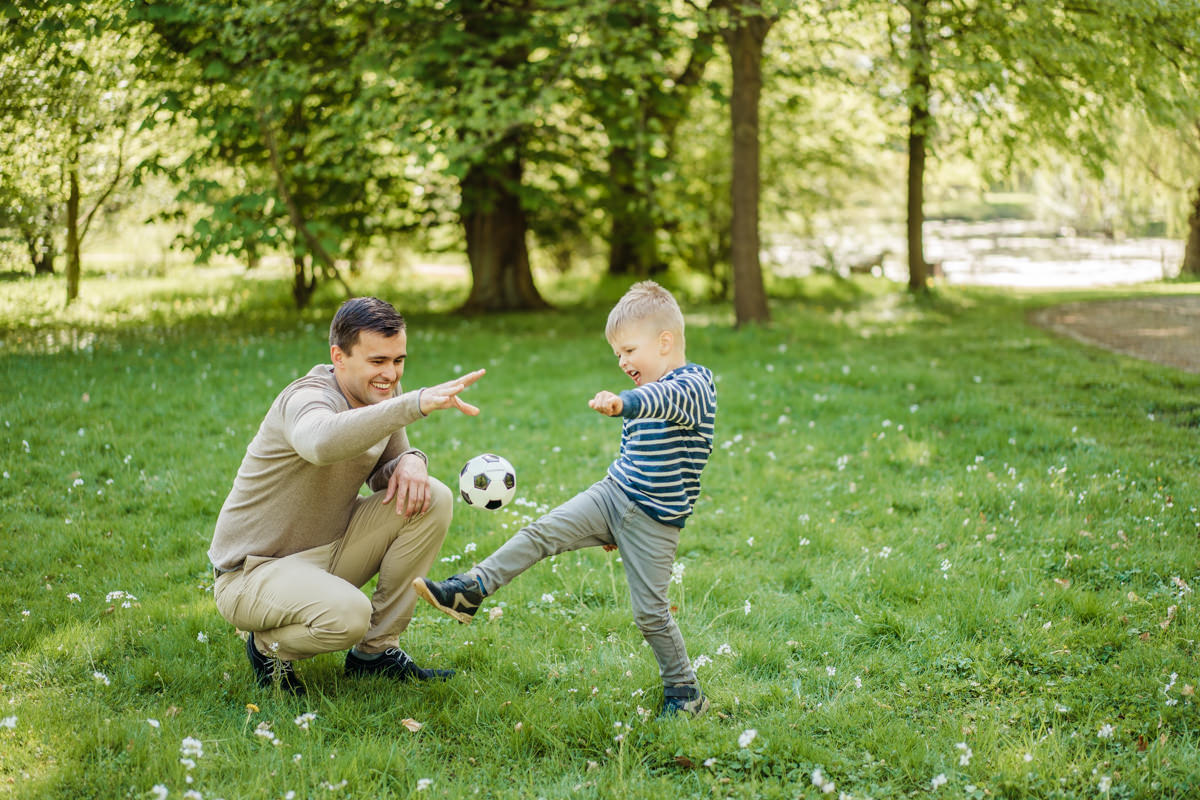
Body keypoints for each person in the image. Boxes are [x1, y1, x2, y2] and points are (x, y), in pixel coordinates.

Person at [414, 281, 716, 717]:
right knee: (540, 532)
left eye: (629, 350)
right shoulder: (643, 396)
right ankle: (470, 590)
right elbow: (635, 453)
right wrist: (610, 523)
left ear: (665, 342)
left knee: (650, 614)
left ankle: (685, 692)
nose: (622, 361)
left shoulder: (694, 385)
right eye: (618, 354)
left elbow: (661, 399)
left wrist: (621, 403)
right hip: (613, 496)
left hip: (653, 520)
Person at [208, 296, 484, 694]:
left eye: (398, 360)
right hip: (253, 573)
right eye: (378, 362)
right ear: (339, 356)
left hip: (328, 548)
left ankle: (376, 652)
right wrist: (414, 404)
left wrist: (412, 459)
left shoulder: (381, 395)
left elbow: (384, 470)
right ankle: (267, 646)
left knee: (432, 498)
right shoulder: (306, 399)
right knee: (350, 615)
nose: (390, 374)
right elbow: (320, 442)